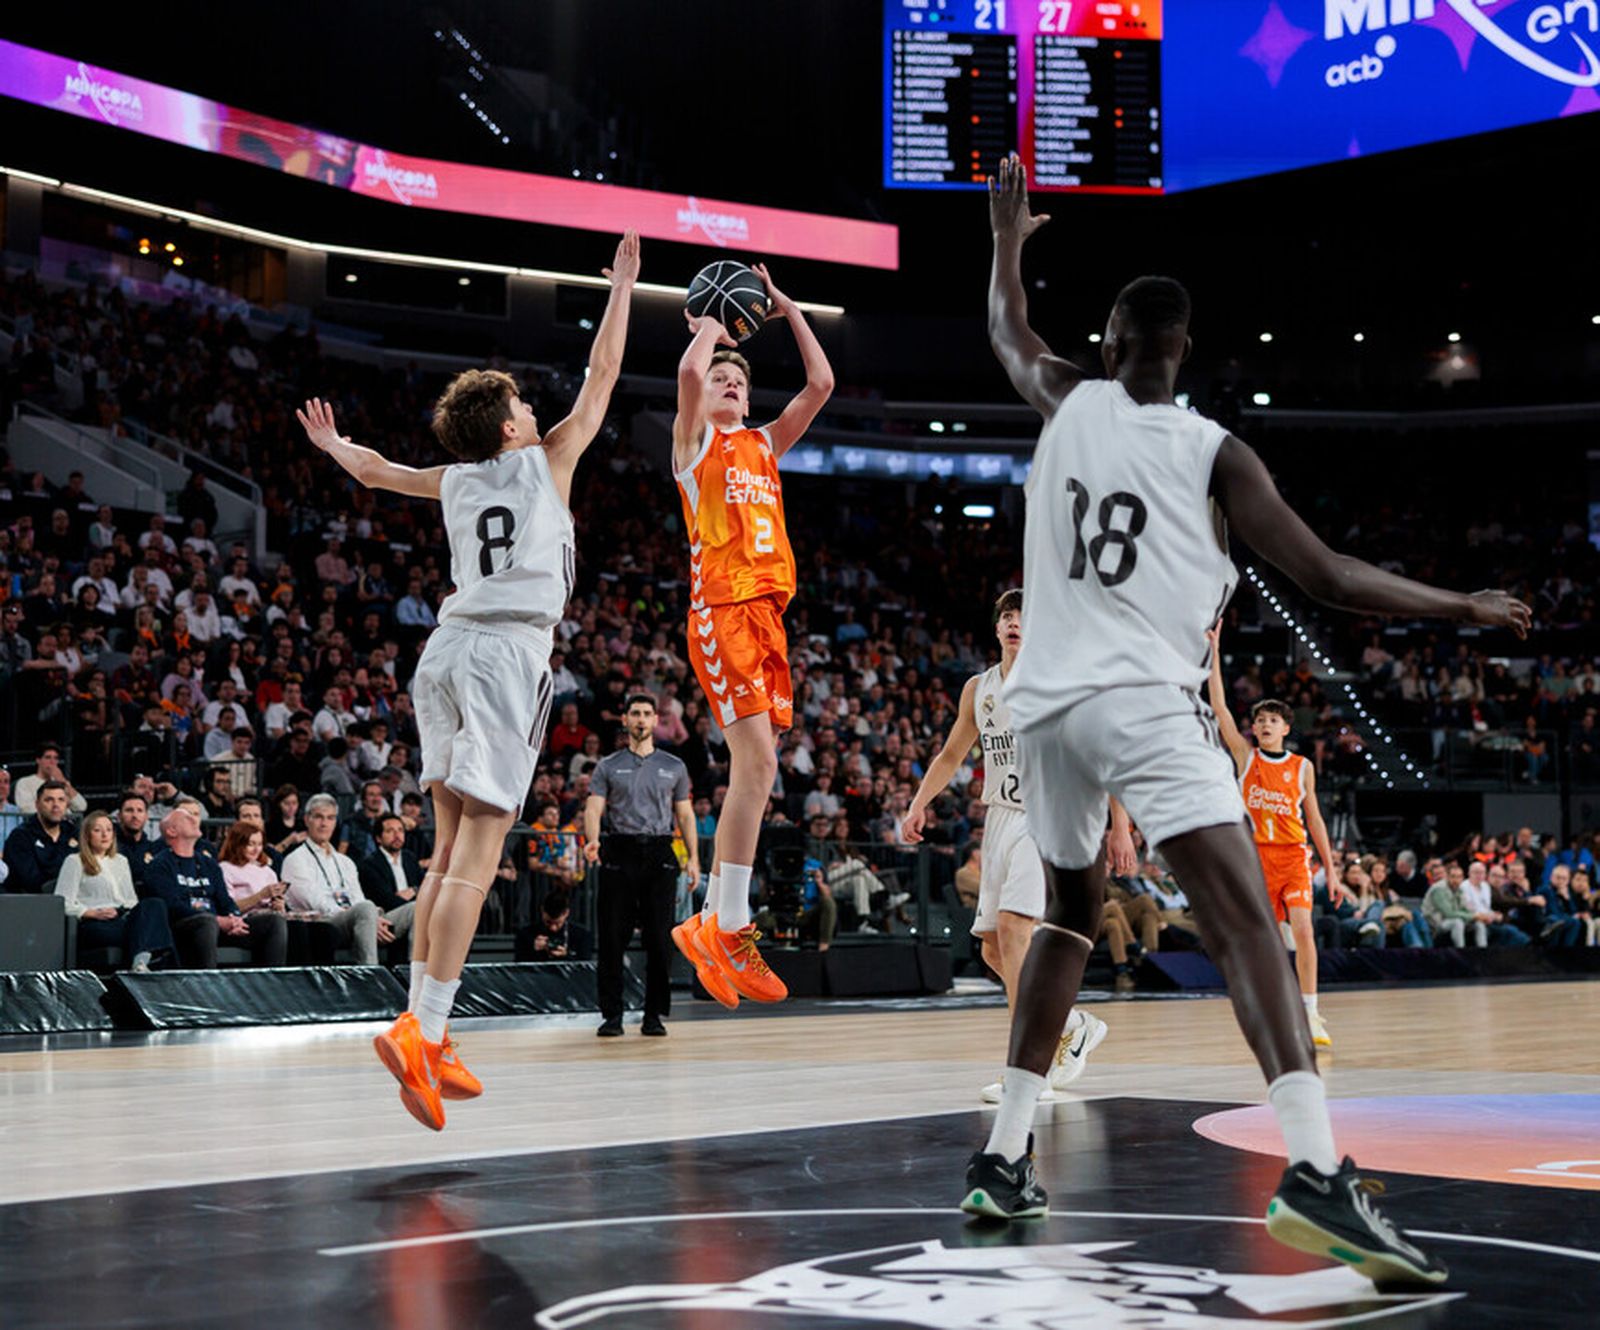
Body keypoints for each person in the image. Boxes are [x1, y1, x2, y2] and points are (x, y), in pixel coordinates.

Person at [960, 155, 1526, 1287]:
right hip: (1143, 703)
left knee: (1067, 914)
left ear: (1112, 344)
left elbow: (1008, 329)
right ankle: (1314, 1169)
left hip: (1041, 713)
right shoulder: (1213, 451)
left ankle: (1003, 1156)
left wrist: (1008, 243)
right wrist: (1460, 605)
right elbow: (1328, 576)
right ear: (1182, 352)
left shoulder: (1066, 397)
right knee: (1247, 927)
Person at [298, 228, 638, 1130]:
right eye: (524, 403)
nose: (535, 407)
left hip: (444, 652)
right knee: (479, 857)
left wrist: (334, 446)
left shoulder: (453, 479)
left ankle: (430, 1032)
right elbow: (604, 374)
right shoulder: (546, 460)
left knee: (448, 851)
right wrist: (622, 288)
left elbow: (378, 473)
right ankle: (424, 1026)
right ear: (511, 428)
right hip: (503, 656)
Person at [668, 261, 834, 1009]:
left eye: (740, 379)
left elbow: (820, 385)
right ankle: (727, 925)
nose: (731, 384)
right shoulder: (694, 447)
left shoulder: (765, 444)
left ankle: (710, 920)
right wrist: (711, 324)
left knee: (761, 772)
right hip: (722, 609)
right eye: (721, 380)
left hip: (768, 617)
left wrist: (789, 309)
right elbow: (687, 372)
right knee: (758, 762)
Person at [903, 587, 1122, 1101]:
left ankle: (1029, 1070)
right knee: (993, 947)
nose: (1014, 622)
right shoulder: (978, 688)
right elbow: (952, 753)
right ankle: (1071, 1024)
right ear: (997, 627)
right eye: (1006, 615)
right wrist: (918, 802)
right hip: (1000, 818)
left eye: (1023, 615)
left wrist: (1119, 825)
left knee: (1015, 929)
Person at [1206, 629, 1348, 1048]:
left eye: (1273, 720)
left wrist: (1332, 871)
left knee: (1303, 931)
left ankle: (1310, 1013)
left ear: (1286, 727)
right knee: (1263, 943)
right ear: (1253, 729)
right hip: (1255, 860)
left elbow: (1315, 819)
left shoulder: (1302, 767)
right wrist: (1214, 653)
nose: (1265, 724)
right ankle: (1271, 1010)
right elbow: (1219, 708)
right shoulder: (1245, 757)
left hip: (1293, 858)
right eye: (1260, 720)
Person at [584, 693, 698, 1036]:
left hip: (660, 850)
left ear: (655, 721)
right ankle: (612, 1016)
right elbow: (594, 807)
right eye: (635, 713)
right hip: (619, 849)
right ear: (625, 719)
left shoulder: (674, 766)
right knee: (612, 938)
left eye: (647, 713)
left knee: (660, 939)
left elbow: (685, 815)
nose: (641, 719)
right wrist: (592, 839)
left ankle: (654, 1015)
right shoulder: (608, 765)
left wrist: (694, 858)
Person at [140, 807, 286, 968]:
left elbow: (225, 900)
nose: (195, 820)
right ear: (172, 831)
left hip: (218, 926)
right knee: (207, 921)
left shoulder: (208, 863)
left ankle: (272, 980)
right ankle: (206, 982)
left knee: (274, 921)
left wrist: (235, 918)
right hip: (183, 928)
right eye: (188, 818)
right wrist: (217, 920)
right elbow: (172, 906)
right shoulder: (160, 865)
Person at [282, 794, 411, 963]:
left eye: (330, 818)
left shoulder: (345, 861)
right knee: (365, 908)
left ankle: (414, 972)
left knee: (414, 909)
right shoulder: (295, 859)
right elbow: (316, 902)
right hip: (324, 923)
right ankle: (369, 974)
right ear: (307, 820)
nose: (324, 823)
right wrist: (362, 916)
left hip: (359, 918)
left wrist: (372, 919)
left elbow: (358, 897)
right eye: (319, 817)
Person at [55, 810, 175, 971]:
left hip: (122, 917)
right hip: (96, 923)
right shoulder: (75, 861)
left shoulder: (121, 861)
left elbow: (131, 900)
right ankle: (150, 964)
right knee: (151, 930)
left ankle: (140, 962)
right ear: (87, 835)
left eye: (109, 830)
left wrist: (124, 911)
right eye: (97, 830)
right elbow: (61, 903)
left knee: (155, 904)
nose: (105, 834)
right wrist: (91, 913)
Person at [3, 780, 78, 893]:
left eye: (61, 800)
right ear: (37, 805)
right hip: (30, 900)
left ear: (66, 804)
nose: (56, 805)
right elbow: (31, 882)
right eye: (49, 800)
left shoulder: (73, 832)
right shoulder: (20, 836)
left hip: (70, 898)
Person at [358, 813, 425, 913]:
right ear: (378, 838)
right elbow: (386, 900)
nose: (397, 835)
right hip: (388, 914)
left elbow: (426, 885)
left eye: (400, 830)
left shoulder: (409, 857)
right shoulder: (369, 864)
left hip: (416, 910)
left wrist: (414, 890)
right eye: (390, 831)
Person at [14, 743, 88, 815]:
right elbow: (27, 810)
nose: (52, 762)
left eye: (55, 758)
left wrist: (64, 782)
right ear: (38, 760)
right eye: (48, 757)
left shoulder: (61, 783)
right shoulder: (25, 782)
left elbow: (82, 806)